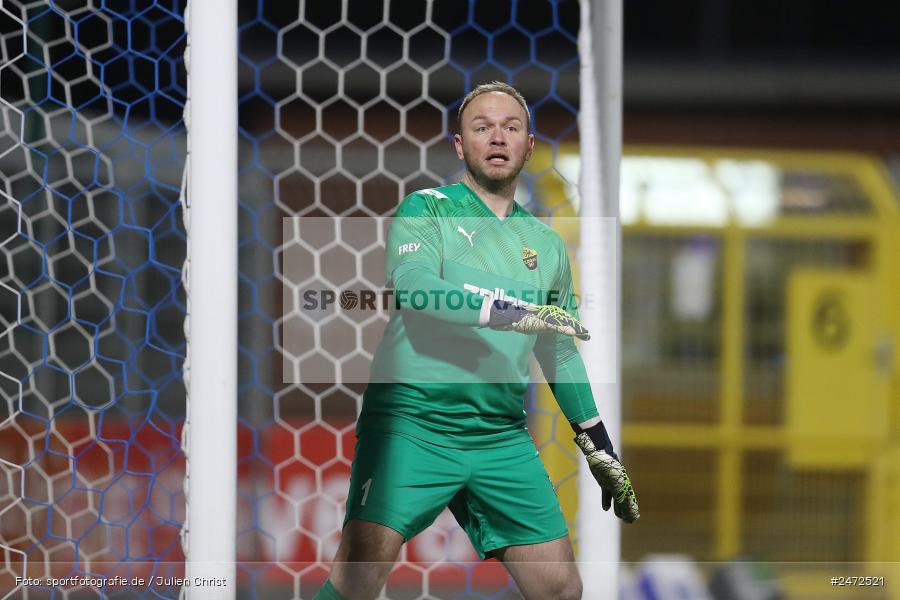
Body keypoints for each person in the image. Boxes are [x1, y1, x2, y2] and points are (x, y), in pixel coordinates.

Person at [314, 82, 638, 600]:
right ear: (461, 146)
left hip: (499, 435)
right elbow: (414, 288)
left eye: (511, 128)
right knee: (357, 579)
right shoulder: (429, 209)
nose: (497, 138)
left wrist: (597, 444)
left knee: (560, 588)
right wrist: (510, 311)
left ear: (529, 147)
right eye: (481, 127)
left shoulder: (547, 245)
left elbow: (556, 349)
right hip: (413, 423)